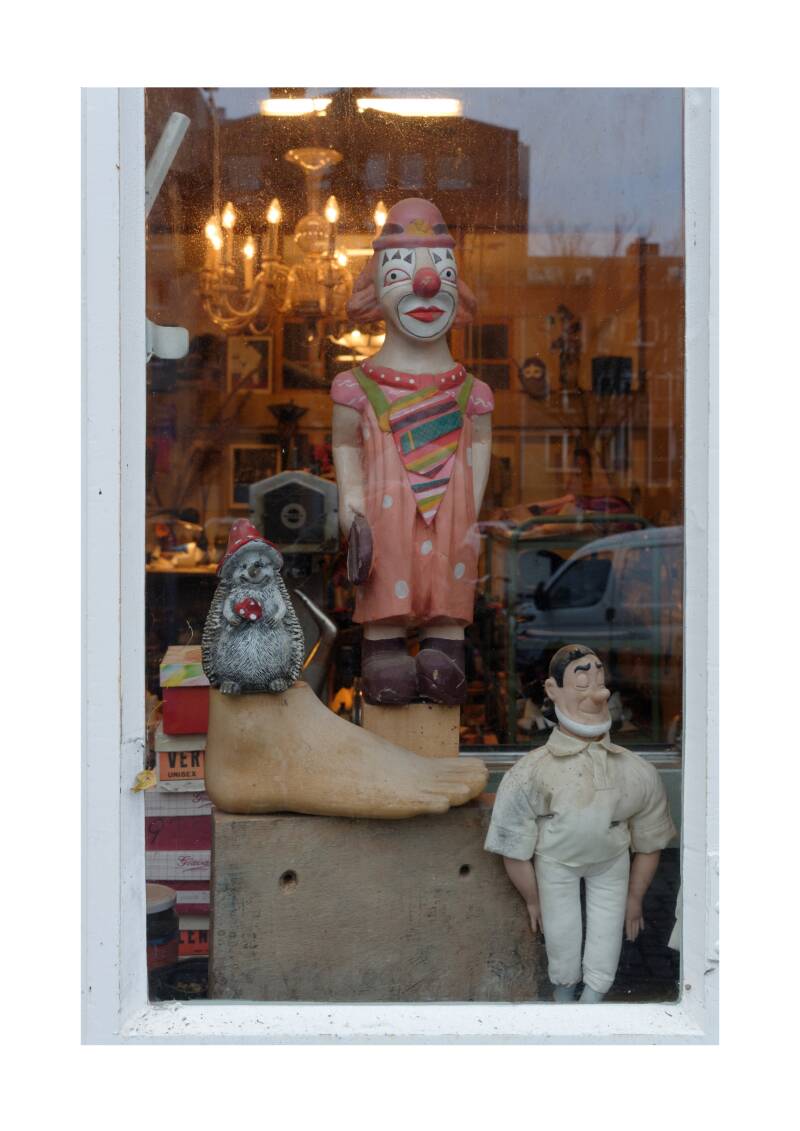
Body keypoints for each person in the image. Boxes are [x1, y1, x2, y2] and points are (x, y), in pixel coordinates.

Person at [331, 198, 494, 707]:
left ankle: (446, 650)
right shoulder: (356, 388)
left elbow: (481, 442)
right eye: (401, 273)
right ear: (374, 292)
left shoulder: (473, 393)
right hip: (385, 516)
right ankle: (384, 652)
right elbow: (345, 443)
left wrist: (469, 508)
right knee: (388, 579)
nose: (426, 284)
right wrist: (350, 502)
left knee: (447, 586)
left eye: (442, 271)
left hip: (451, 519)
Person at [484, 643, 676, 1003]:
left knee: (608, 931)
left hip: (612, 861)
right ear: (553, 690)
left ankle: (595, 994)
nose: (597, 692)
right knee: (561, 932)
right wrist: (532, 899)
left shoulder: (637, 771)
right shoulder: (531, 771)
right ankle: (563, 991)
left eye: (599, 679)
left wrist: (635, 897)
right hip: (556, 862)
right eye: (582, 680)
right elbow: (513, 844)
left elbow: (649, 840)